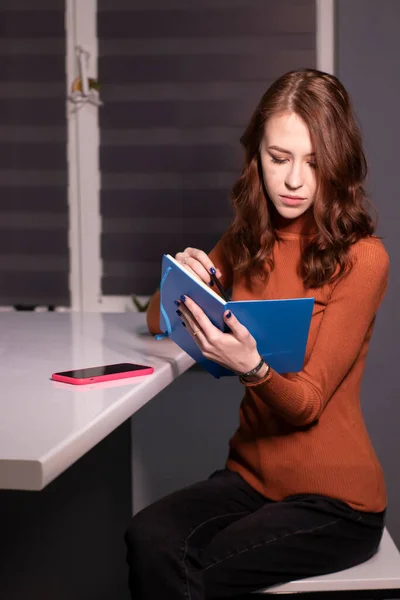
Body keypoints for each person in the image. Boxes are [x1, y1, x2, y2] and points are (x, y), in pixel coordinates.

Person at [124, 68, 389, 600]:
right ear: (257, 156)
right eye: (279, 158)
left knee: (205, 571)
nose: (294, 181)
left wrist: (254, 367)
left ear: (338, 165)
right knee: (147, 536)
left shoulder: (364, 259)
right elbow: (157, 319)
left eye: (314, 162)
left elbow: (308, 405)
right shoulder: (247, 241)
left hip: (335, 503)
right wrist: (183, 277)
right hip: (250, 479)